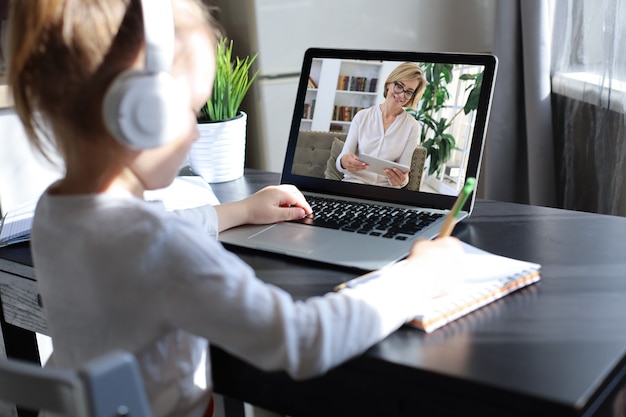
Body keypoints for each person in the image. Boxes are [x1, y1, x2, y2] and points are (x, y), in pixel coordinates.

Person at [6, 1, 463, 416]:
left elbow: (144, 237)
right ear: (139, 111)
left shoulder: (53, 213)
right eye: (190, 110)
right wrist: (417, 278)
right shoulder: (161, 247)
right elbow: (302, 341)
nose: (196, 133)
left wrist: (237, 212)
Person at [337, 62, 427, 188]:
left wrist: (401, 181)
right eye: (399, 86)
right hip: (354, 184)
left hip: (385, 191)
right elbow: (341, 161)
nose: (401, 95)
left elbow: (404, 172)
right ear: (389, 83)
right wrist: (345, 161)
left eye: (409, 92)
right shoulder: (362, 116)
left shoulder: (412, 127)